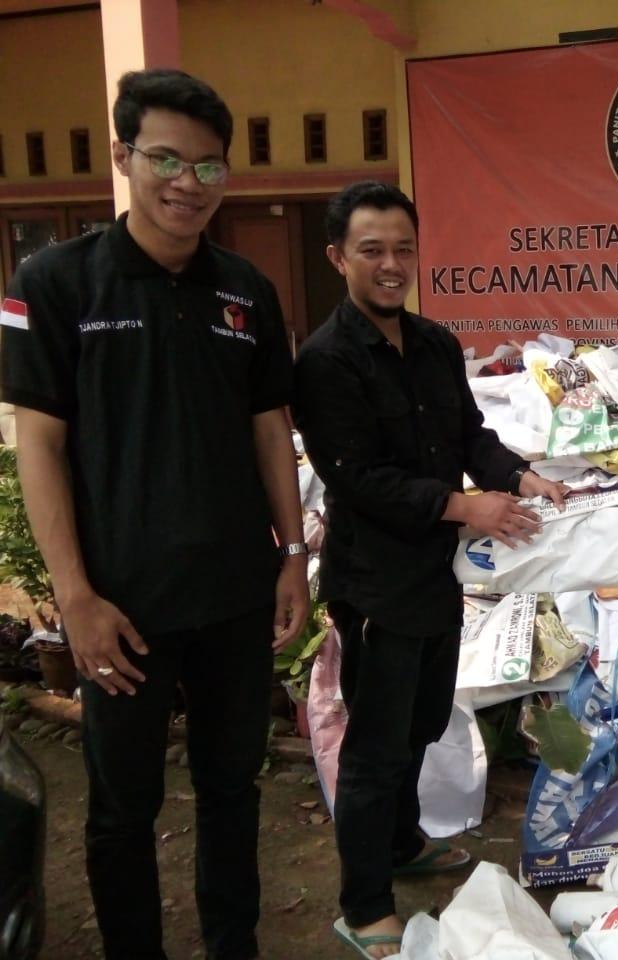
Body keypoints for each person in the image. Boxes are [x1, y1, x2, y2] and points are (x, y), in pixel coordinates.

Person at [0, 69, 308, 960]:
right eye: (166, 160)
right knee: (122, 807)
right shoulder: (55, 283)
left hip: (235, 595)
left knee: (231, 788)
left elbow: (270, 428)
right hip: (120, 606)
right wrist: (75, 597)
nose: (187, 184)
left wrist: (292, 555)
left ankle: (232, 945)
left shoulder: (245, 290)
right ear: (123, 156)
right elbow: (39, 446)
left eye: (208, 167)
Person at [292, 181, 567, 958]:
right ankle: (363, 903)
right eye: (372, 250)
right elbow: (357, 478)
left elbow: (471, 435)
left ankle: (404, 842)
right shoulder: (326, 361)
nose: (391, 264)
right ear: (338, 257)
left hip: (434, 577)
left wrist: (520, 478)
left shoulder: (437, 345)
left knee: (419, 722)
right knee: (376, 745)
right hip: (375, 583)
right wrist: (462, 506)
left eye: (403, 249)